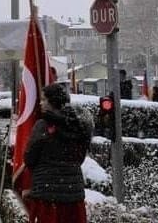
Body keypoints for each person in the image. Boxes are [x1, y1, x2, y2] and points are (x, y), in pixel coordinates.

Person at [23, 83, 92, 223]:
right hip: (74, 196)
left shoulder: (42, 126)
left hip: (47, 196)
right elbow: (80, 157)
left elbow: (29, 158)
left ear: (52, 102)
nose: (40, 103)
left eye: (44, 99)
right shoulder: (79, 126)